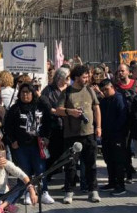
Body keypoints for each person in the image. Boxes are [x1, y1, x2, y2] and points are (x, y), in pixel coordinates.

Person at [56, 65, 102, 204]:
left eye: (87, 76)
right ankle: (69, 192)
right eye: (84, 77)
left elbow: (96, 108)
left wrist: (98, 126)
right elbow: (58, 110)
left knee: (91, 164)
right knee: (71, 165)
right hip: (71, 135)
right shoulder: (67, 92)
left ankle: (93, 190)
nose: (87, 79)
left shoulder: (89, 90)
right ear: (76, 77)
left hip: (88, 133)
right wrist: (70, 112)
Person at [4, 83, 54, 205]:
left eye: (28, 92)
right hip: (21, 146)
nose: (25, 95)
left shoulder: (41, 107)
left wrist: (47, 137)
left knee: (40, 169)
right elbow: (7, 126)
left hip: (38, 145)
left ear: (33, 93)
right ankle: (27, 192)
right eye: (22, 92)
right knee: (24, 170)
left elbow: (48, 123)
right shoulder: (15, 108)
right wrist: (12, 141)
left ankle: (44, 192)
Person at [99, 79, 129, 196]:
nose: (105, 92)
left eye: (106, 89)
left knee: (118, 161)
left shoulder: (119, 98)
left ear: (112, 87)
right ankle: (111, 182)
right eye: (103, 90)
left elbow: (122, 117)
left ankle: (120, 185)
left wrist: (115, 130)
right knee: (109, 160)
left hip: (117, 136)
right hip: (107, 136)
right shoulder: (104, 101)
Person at [39, 67, 69, 179]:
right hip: (53, 125)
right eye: (67, 77)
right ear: (60, 77)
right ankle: (48, 173)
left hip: (68, 125)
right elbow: (43, 105)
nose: (69, 79)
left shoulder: (70, 89)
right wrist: (55, 111)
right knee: (53, 151)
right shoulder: (48, 90)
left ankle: (70, 175)